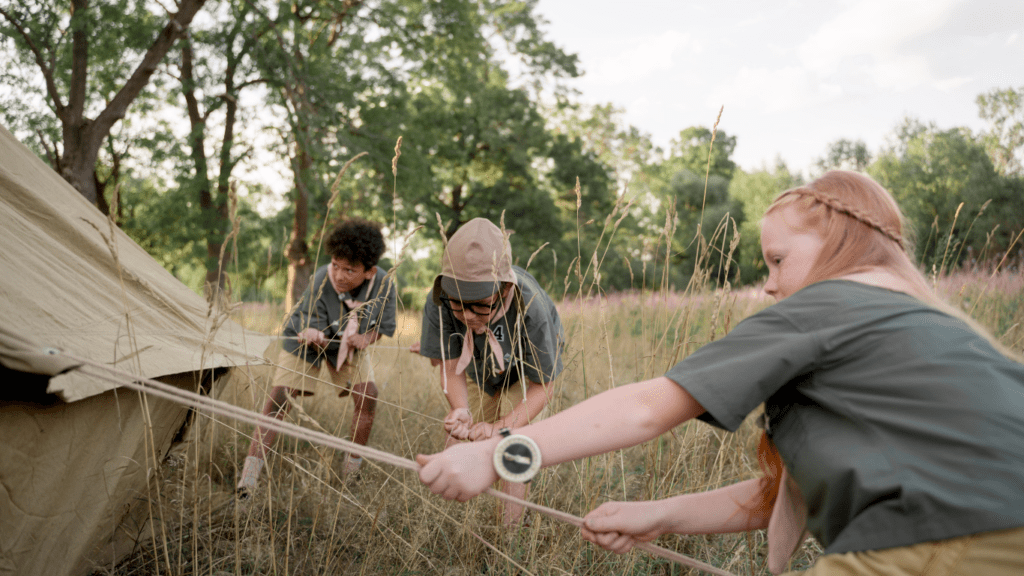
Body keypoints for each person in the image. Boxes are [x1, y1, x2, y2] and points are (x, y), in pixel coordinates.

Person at [416, 171, 1024, 574]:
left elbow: (646, 409)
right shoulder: (932, 327)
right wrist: (661, 515)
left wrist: (497, 454)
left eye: (778, 259)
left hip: (942, 540)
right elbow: (777, 497)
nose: (770, 282)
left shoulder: (828, 303)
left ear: (840, 242)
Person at [418, 217, 565, 525]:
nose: (468, 315)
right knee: (471, 433)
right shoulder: (439, 302)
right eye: (458, 304)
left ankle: (508, 531)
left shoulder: (531, 306)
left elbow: (544, 387)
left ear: (504, 289)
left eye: (480, 305)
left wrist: (502, 426)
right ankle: (458, 524)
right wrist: (460, 409)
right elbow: (448, 365)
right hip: (476, 368)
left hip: (526, 376)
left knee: (511, 440)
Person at [238, 218, 396, 497]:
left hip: (349, 344)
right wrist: (310, 331)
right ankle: (248, 480)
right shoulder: (323, 276)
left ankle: (351, 475)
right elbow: (307, 315)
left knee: (368, 396)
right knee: (279, 398)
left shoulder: (384, 284)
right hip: (307, 339)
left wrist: (366, 338)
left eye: (350, 269)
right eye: (336, 264)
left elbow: (382, 327)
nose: (340, 274)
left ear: (370, 272)